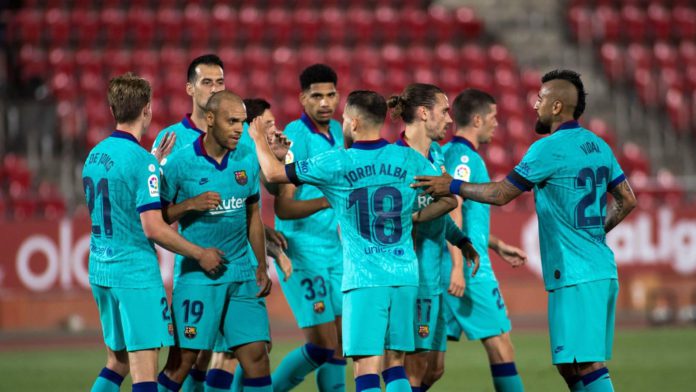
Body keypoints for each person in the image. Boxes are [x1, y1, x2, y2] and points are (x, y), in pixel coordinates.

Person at [413, 70, 637, 392]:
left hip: (576, 275)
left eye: (542, 99)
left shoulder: (547, 149)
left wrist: (454, 185)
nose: (535, 106)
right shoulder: (599, 145)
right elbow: (627, 200)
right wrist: (596, 233)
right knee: (570, 365)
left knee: (584, 363)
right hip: (597, 267)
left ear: (557, 107)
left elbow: (502, 194)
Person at [250, 90, 458, 392]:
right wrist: (414, 216)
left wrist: (258, 139)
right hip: (405, 276)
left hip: (364, 279)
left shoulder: (338, 162)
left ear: (353, 122)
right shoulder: (409, 158)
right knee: (395, 364)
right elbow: (450, 199)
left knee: (366, 367)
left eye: (344, 119)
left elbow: (272, 172)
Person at [83, 73, 223, 392]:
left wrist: (154, 166)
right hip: (134, 275)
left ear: (112, 109)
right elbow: (152, 226)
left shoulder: (94, 155)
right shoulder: (141, 160)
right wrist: (199, 253)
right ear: (147, 109)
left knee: (116, 362)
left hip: (100, 269)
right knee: (145, 373)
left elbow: (120, 202)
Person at [156, 91, 274, 392]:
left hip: (241, 274)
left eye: (242, 122)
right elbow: (157, 219)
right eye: (231, 121)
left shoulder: (247, 159)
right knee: (183, 362)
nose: (238, 128)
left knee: (257, 357)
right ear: (210, 119)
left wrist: (261, 263)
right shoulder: (179, 164)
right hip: (198, 276)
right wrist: (189, 205)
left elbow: (252, 214)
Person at [427, 89, 528, 392]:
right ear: (477, 118)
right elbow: (453, 207)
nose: (497, 124)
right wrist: (458, 266)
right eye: (494, 118)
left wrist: (495, 244)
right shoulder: (463, 157)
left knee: (431, 367)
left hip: (445, 266)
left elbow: (466, 219)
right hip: (467, 271)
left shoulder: (454, 155)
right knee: (501, 345)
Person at [388, 84, 480, 391]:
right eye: (444, 111)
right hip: (413, 278)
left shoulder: (437, 154)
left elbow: (439, 212)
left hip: (433, 277)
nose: (450, 119)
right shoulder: (396, 161)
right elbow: (400, 221)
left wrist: (462, 241)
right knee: (412, 368)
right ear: (424, 113)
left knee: (434, 369)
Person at [271, 64, 344, 392]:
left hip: (334, 249)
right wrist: (328, 201)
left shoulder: (340, 133)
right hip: (301, 249)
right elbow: (284, 206)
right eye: (317, 96)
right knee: (322, 344)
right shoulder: (295, 137)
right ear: (303, 98)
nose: (325, 102)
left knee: (341, 342)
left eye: (330, 94)